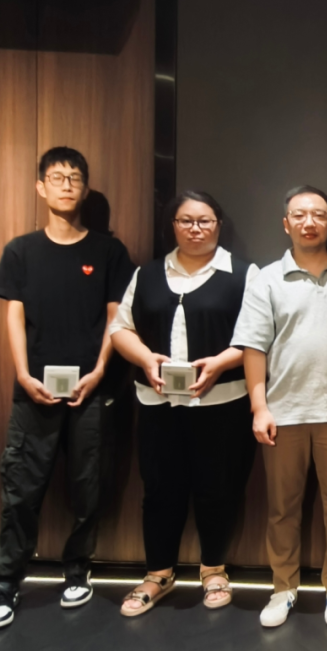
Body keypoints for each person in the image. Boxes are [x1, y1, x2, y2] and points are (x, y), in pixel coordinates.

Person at [0, 147, 135, 627]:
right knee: (20, 489)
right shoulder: (19, 250)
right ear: (40, 187)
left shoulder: (109, 252)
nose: (66, 184)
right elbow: (13, 315)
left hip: (92, 390)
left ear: (85, 188)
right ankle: (6, 581)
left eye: (74, 177)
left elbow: (118, 318)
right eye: (56, 177)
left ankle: (77, 571)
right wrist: (22, 373)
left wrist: (98, 371)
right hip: (32, 390)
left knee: (87, 486)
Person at [109, 190, 258, 616]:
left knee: (218, 487)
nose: (196, 229)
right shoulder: (147, 274)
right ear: (172, 226)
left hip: (222, 401)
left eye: (205, 221)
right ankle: (158, 574)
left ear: (219, 225)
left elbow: (258, 335)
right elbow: (120, 329)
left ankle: (214, 570)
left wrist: (221, 363)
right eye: (186, 221)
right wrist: (145, 359)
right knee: (159, 488)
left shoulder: (243, 274)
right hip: (158, 403)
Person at [231, 186, 327, 628]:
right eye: (299, 214)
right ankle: (283, 588)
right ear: (286, 223)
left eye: (318, 214)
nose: (309, 222)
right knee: (282, 508)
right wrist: (259, 407)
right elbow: (253, 347)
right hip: (283, 411)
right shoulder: (267, 278)